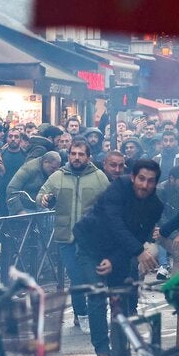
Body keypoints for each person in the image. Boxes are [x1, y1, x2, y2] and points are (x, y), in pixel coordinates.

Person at [73, 160, 163, 356]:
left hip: (119, 252)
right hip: (91, 246)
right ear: (133, 177)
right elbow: (115, 223)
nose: (144, 185)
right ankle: (103, 353)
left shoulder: (156, 206)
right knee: (96, 294)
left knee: (121, 301)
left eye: (150, 181)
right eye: (141, 179)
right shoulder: (118, 188)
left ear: (156, 184)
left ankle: (120, 352)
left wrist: (114, 260)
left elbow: (140, 235)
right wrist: (139, 252)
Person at [37, 139, 110, 331]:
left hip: (90, 238)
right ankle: (81, 314)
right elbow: (41, 194)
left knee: (92, 277)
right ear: (68, 155)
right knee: (76, 277)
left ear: (88, 157)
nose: (76, 158)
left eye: (81, 154)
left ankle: (94, 312)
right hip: (66, 237)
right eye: (73, 154)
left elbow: (111, 203)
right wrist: (44, 199)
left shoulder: (99, 177)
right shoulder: (58, 176)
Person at [151, 165, 179, 278]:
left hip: (170, 229)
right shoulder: (160, 190)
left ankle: (175, 289)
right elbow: (159, 216)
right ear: (171, 178)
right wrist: (175, 234)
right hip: (155, 229)